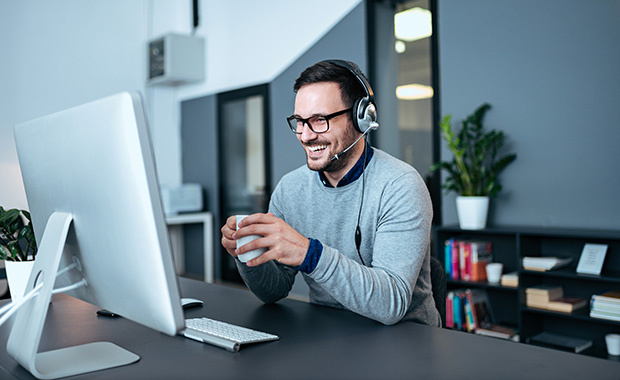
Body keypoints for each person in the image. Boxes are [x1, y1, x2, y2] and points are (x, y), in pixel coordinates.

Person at [221, 60, 440, 326]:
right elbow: (273, 290)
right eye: (300, 121)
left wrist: (310, 254)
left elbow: (391, 305)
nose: (305, 135)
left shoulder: (401, 186)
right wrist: (248, 253)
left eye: (319, 121)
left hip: (406, 344)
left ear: (361, 117)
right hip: (329, 335)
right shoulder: (290, 190)